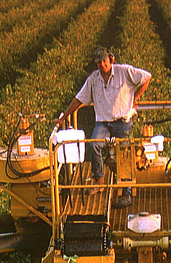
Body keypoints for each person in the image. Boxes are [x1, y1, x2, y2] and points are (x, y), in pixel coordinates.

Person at [58, 47, 151, 205]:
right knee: (94, 145)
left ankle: (126, 193)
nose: (102, 64)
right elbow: (79, 99)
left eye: (104, 61)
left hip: (122, 121)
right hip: (103, 122)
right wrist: (64, 116)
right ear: (96, 64)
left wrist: (135, 98)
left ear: (111, 60)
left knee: (124, 153)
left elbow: (146, 77)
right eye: (99, 62)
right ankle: (98, 180)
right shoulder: (93, 79)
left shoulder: (124, 71)